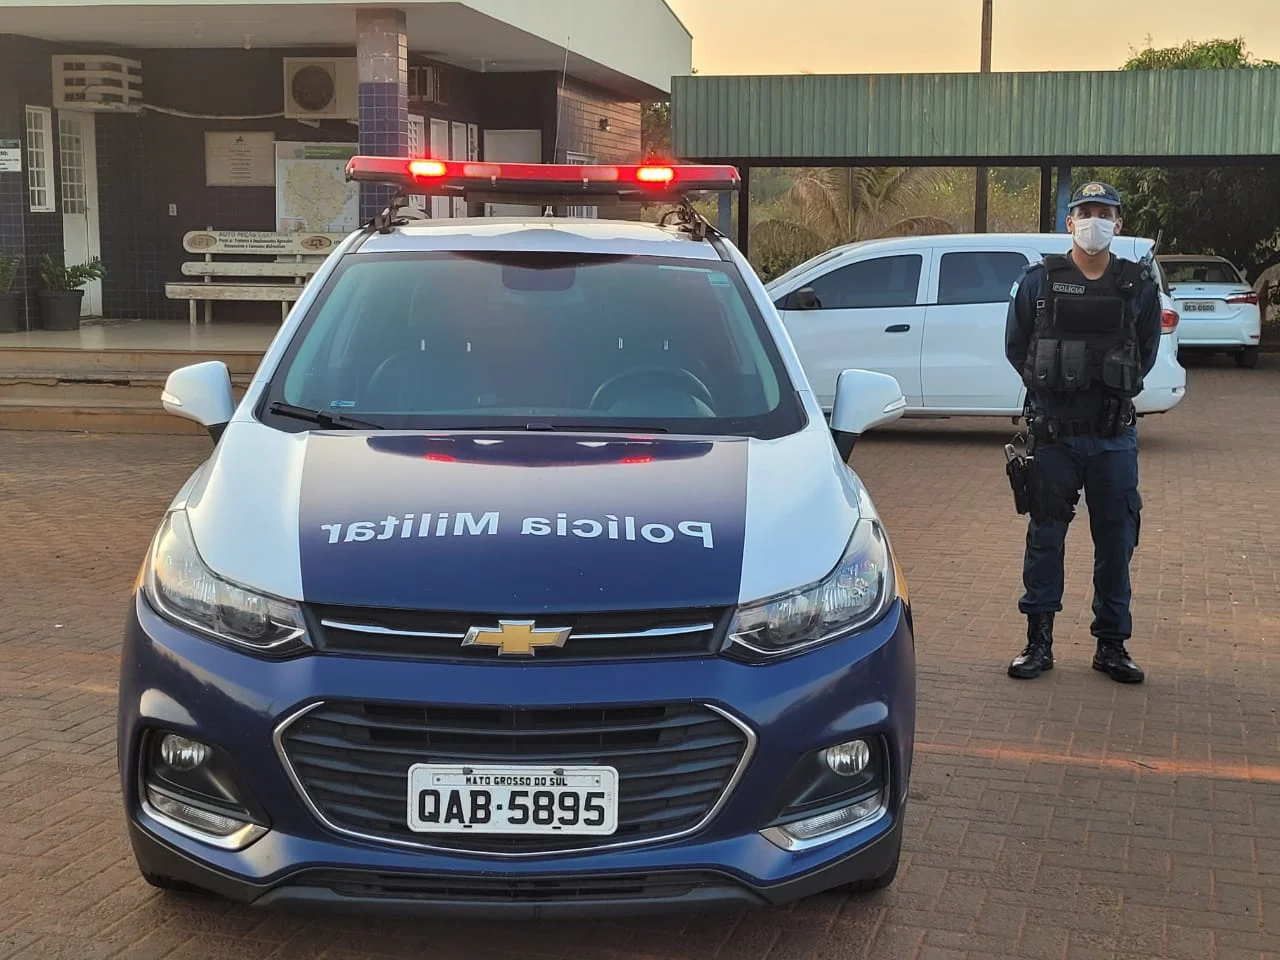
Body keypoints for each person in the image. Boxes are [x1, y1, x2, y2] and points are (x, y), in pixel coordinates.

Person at [1003, 181, 1162, 684]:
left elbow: (1146, 352)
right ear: (1069, 223)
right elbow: (1017, 346)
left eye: (1104, 212)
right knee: (1045, 536)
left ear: (1119, 223)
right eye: (1085, 212)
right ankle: (1038, 643)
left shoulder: (1137, 285)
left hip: (1113, 438)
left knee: (1116, 539)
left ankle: (1111, 646)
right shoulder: (1039, 282)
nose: (1095, 221)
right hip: (1053, 436)